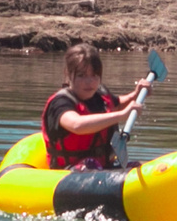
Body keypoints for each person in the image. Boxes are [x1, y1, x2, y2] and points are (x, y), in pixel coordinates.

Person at [42, 43, 153, 171]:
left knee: (137, 167)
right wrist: (122, 115)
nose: (89, 82)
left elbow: (118, 103)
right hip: (68, 173)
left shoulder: (101, 95)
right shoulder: (60, 103)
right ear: (68, 74)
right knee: (90, 166)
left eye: (94, 75)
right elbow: (77, 125)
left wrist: (135, 95)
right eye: (81, 75)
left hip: (104, 167)